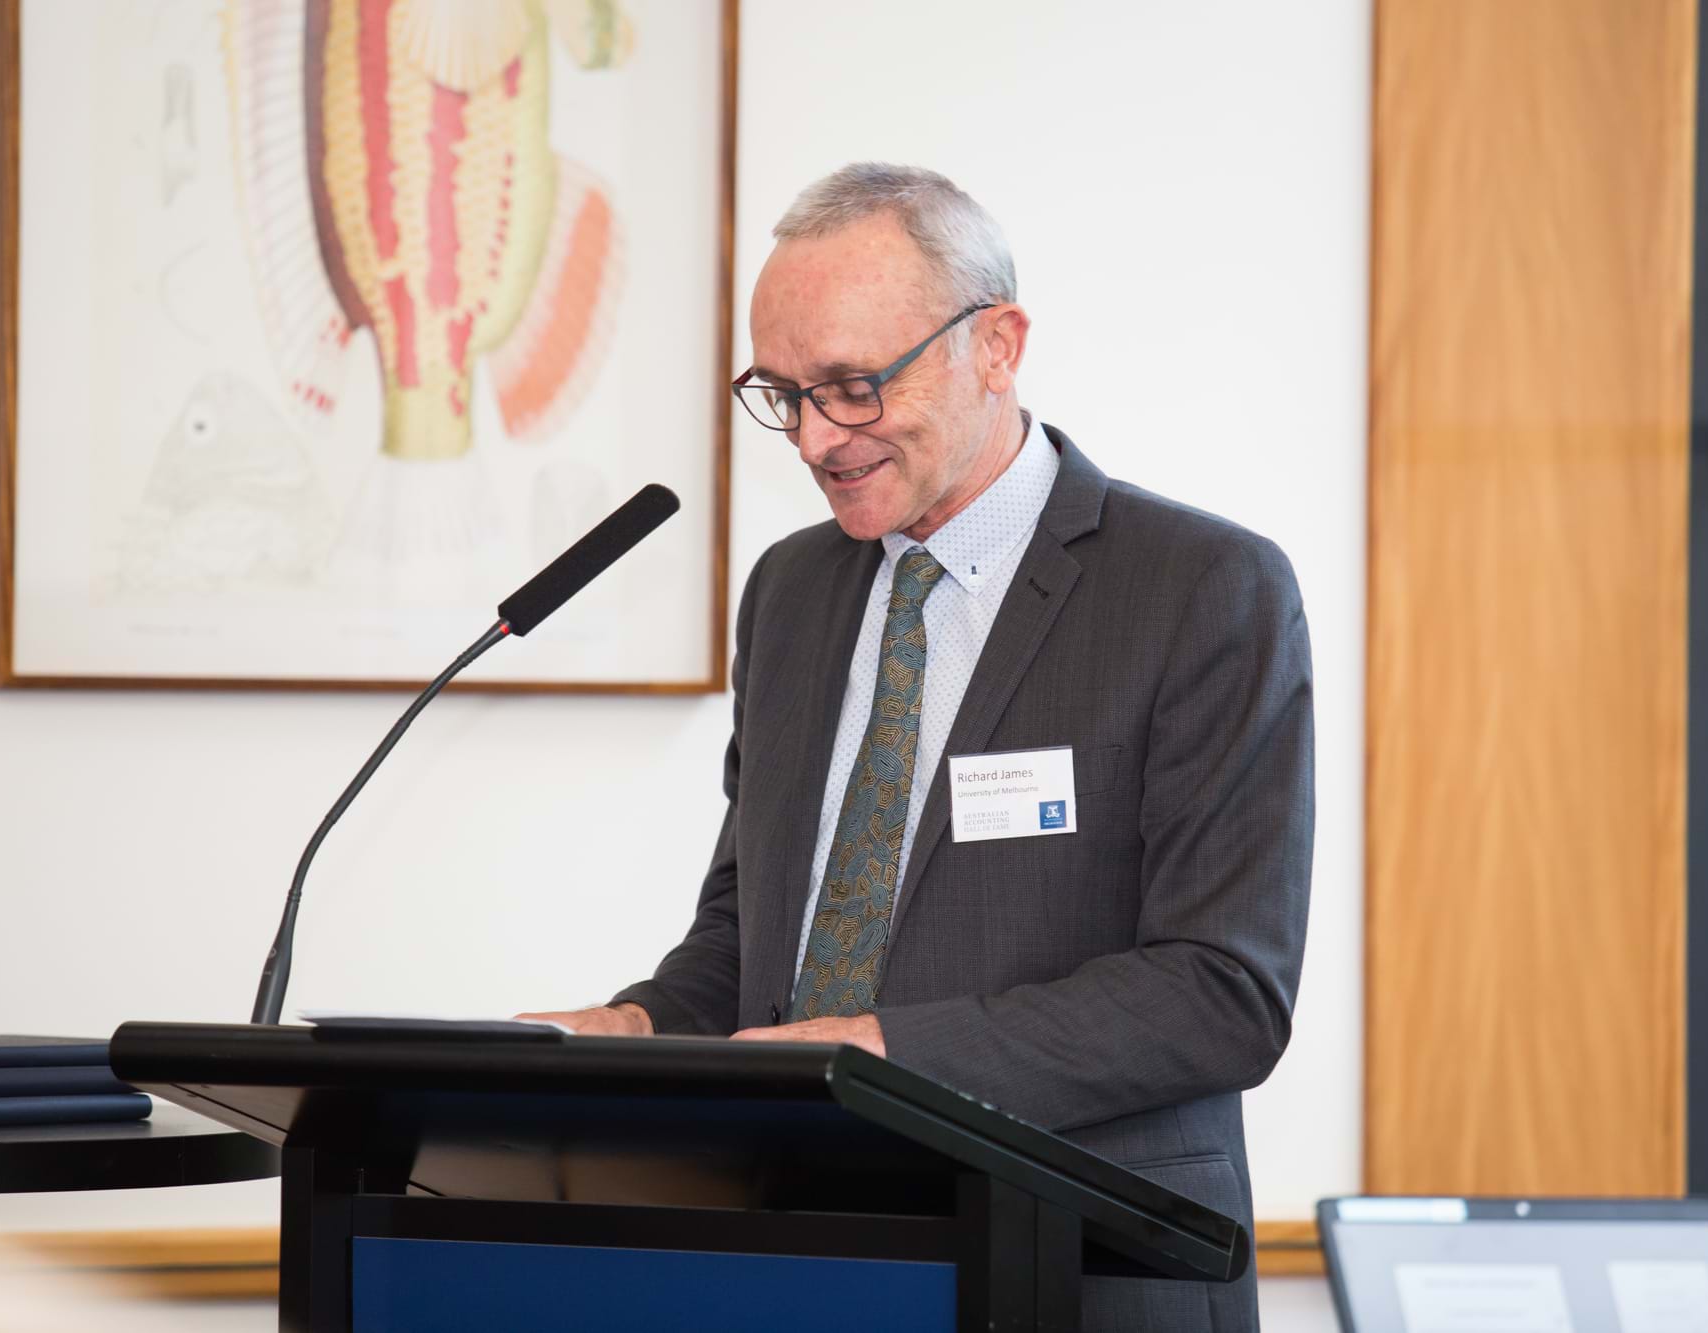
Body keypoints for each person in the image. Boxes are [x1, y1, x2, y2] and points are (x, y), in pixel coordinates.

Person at [520, 162, 1313, 1329]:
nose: (812, 438)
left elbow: (1221, 989)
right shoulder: (790, 593)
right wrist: (625, 1028)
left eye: (850, 386)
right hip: (805, 1259)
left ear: (996, 344)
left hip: (1083, 1265)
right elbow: (751, 940)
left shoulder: (1199, 587)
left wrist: (879, 1050)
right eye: (780, 393)